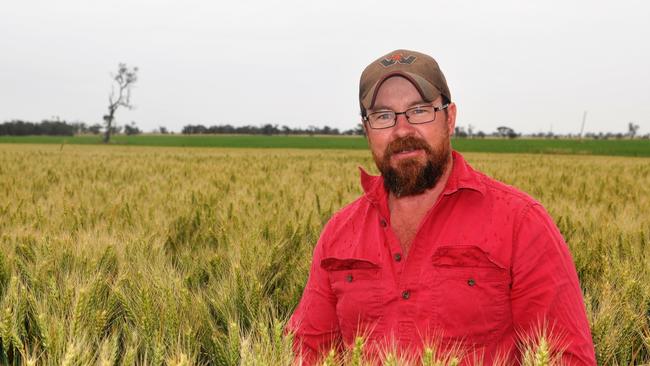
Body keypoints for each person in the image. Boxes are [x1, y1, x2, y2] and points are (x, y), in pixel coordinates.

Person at [287, 49, 596, 365]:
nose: (402, 130)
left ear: (450, 119)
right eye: (383, 116)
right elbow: (305, 354)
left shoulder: (521, 223)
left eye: (419, 111)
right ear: (367, 131)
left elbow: (565, 357)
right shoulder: (339, 233)